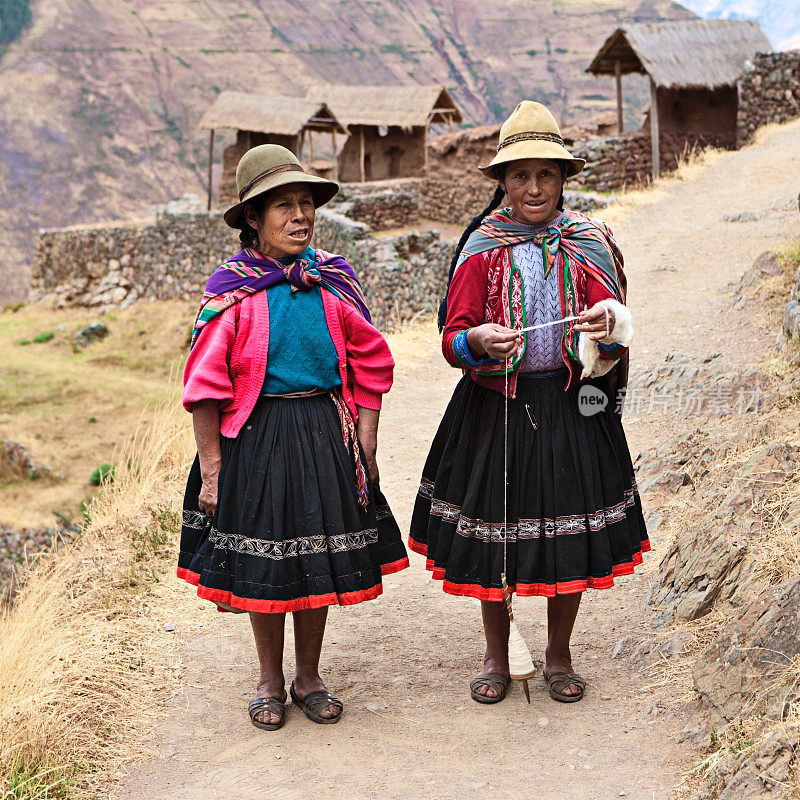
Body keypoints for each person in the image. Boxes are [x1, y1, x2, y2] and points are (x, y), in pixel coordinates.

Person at [409, 101, 649, 704]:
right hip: (496, 406)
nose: (534, 188)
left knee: (571, 526)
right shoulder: (482, 248)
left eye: (546, 174)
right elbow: (451, 339)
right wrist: (477, 342)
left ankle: (559, 655)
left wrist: (607, 324)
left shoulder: (590, 242)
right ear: (503, 183)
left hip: (574, 401)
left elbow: (619, 335)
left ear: (564, 179)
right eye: (520, 175)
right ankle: (497, 654)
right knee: (497, 531)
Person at [178, 144, 408, 730]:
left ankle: (309, 677)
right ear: (253, 219)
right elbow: (204, 386)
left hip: (326, 434)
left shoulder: (332, 283)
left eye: (306, 203)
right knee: (269, 566)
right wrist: (212, 467)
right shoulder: (234, 292)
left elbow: (370, 362)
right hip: (256, 440)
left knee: (318, 563)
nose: (300, 216)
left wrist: (368, 438)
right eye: (284, 206)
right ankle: (269, 681)